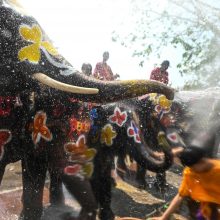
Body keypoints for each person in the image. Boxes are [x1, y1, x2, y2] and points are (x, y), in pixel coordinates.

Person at [150, 146, 220, 220]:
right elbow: (180, 196)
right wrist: (164, 217)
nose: (192, 170)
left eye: (192, 168)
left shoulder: (217, 170)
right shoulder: (190, 173)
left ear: (201, 161)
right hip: (207, 210)